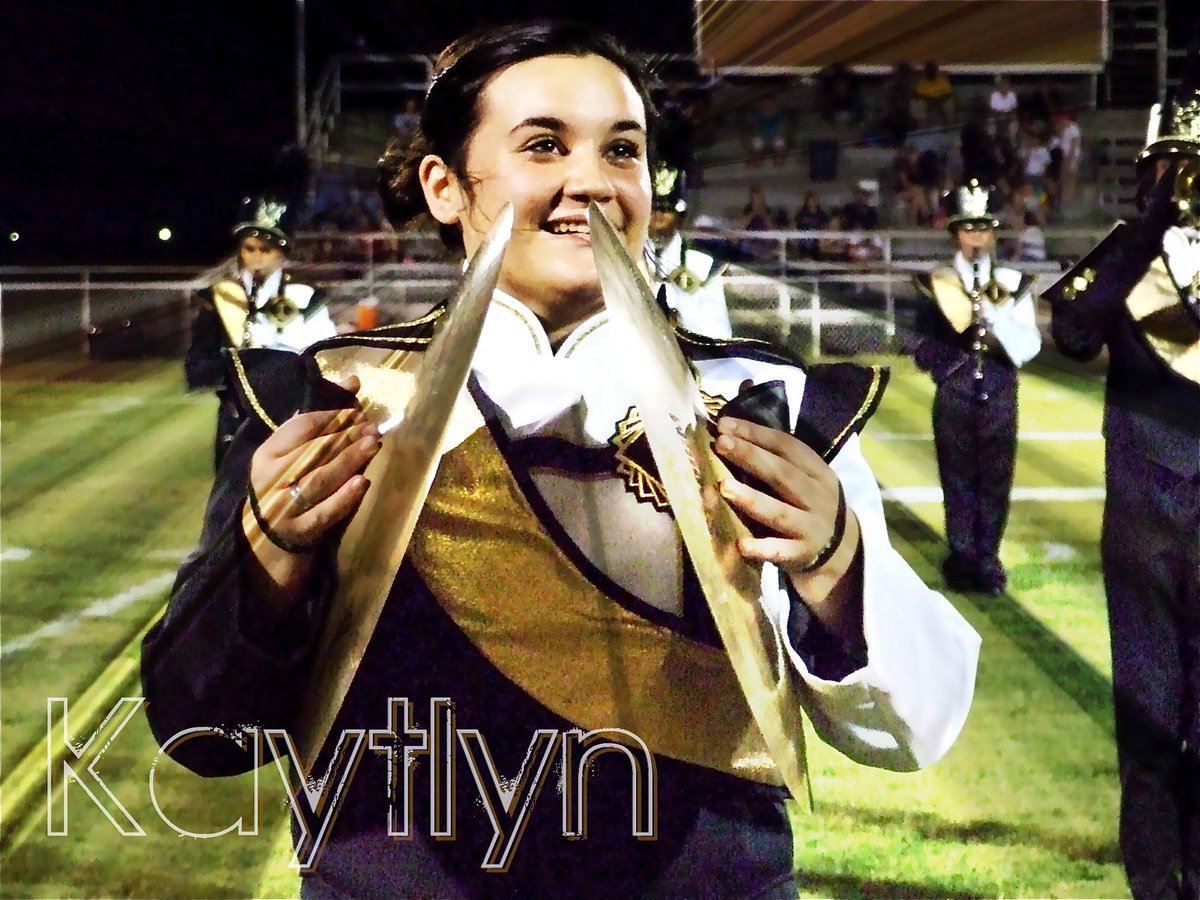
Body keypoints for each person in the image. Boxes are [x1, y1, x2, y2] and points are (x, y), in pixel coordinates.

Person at [143, 21, 980, 899]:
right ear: (444, 187)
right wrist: (267, 560)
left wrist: (837, 562)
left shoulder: (766, 398)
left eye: (623, 149)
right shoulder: (330, 396)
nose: (593, 181)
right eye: (544, 145)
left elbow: (915, 727)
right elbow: (199, 729)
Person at [1043, 80, 1200, 900]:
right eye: (1170, 164)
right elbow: (1073, 333)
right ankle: (1151, 882)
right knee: (1148, 713)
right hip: (1143, 514)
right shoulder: (1124, 255)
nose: (1184, 176)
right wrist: (1151, 228)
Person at [911, 180, 1042, 594]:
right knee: (957, 479)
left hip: (1000, 390)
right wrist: (947, 367)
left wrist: (996, 322)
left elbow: (1030, 345)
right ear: (955, 233)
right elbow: (920, 346)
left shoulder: (1012, 281)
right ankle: (962, 559)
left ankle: (988, 560)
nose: (977, 237)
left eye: (983, 228)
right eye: (968, 228)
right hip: (955, 390)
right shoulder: (936, 282)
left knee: (996, 480)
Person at [184, 197, 337, 468]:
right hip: (237, 425)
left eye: (265, 250)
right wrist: (237, 362)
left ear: (281, 253)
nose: (256, 259)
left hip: (290, 421)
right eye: (249, 248)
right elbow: (196, 369)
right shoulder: (219, 298)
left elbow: (326, 361)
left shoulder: (306, 297)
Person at [647, 163, 733, 338]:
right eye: (653, 210)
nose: (658, 218)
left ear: (681, 216)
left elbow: (718, 336)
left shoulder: (702, 266)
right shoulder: (626, 257)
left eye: (666, 209)